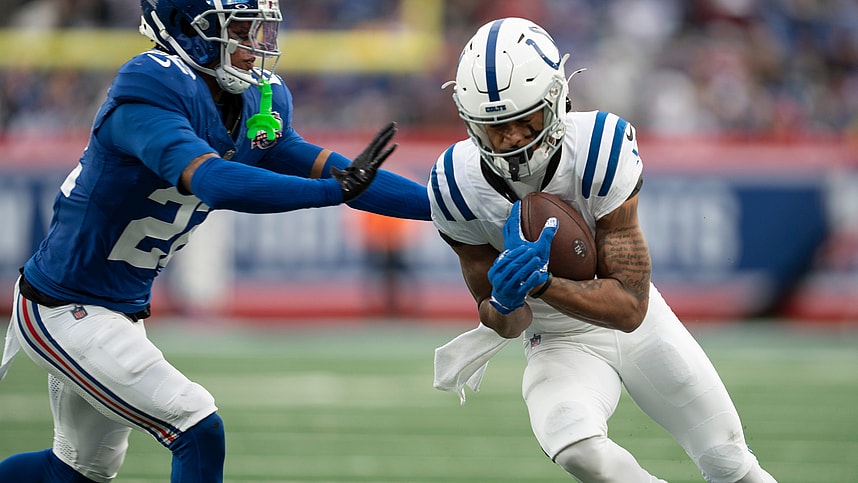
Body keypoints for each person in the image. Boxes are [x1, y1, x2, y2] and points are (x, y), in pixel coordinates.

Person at [0, 0, 430, 482]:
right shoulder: (151, 88)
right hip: (62, 306)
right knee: (196, 425)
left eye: (257, 30)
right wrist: (331, 191)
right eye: (240, 30)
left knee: (74, 474)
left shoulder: (250, 101)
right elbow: (216, 182)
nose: (254, 46)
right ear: (188, 29)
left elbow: (343, 173)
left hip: (117, 306)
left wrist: (448, 207)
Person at [429, 17, 777, 483]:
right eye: (496, 127)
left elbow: (632, 307)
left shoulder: (598, 147)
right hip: (556, 339)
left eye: (522, 120)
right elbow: (506, 324)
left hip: (637, 325)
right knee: (576, 448)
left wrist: (544, 283)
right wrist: (505, 300)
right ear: (471, 124)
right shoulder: (457, 183)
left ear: (555, 99)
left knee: (728, 462)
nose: (511, 138)